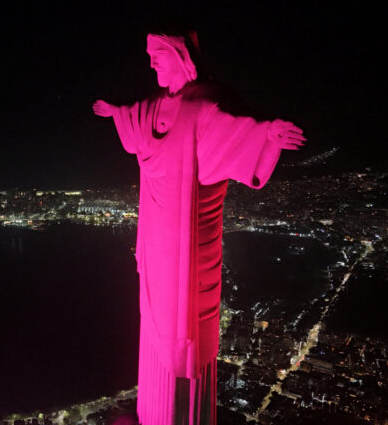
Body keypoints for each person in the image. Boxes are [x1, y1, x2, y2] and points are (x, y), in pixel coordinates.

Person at [93, 31, 305, 425]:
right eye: (150, 58)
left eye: (158, 56)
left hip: (188, 241)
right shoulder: (156, 105)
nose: (152, 64)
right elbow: (135, 116)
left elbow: (242, 129)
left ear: (180, 55)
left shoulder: (207, 103)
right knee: (154, 319)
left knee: (183, 327)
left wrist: (269, 134)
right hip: (155, 233)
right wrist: (115, 113)